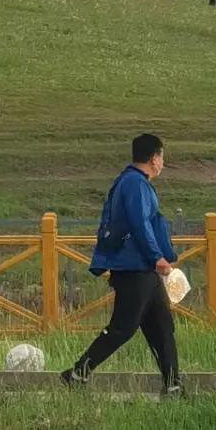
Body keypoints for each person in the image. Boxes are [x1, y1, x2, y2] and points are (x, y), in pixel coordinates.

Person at [62, 133, 182, 396]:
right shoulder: (135, 185)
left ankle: (173, 385)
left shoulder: (131, 182)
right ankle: (77, 373)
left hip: (143, 270)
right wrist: (157, 257)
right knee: (123, 328)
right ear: (154, 157)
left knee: (161, 326)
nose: (162, 163)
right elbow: (140, 225)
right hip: (134, 269)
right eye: (161, 157)